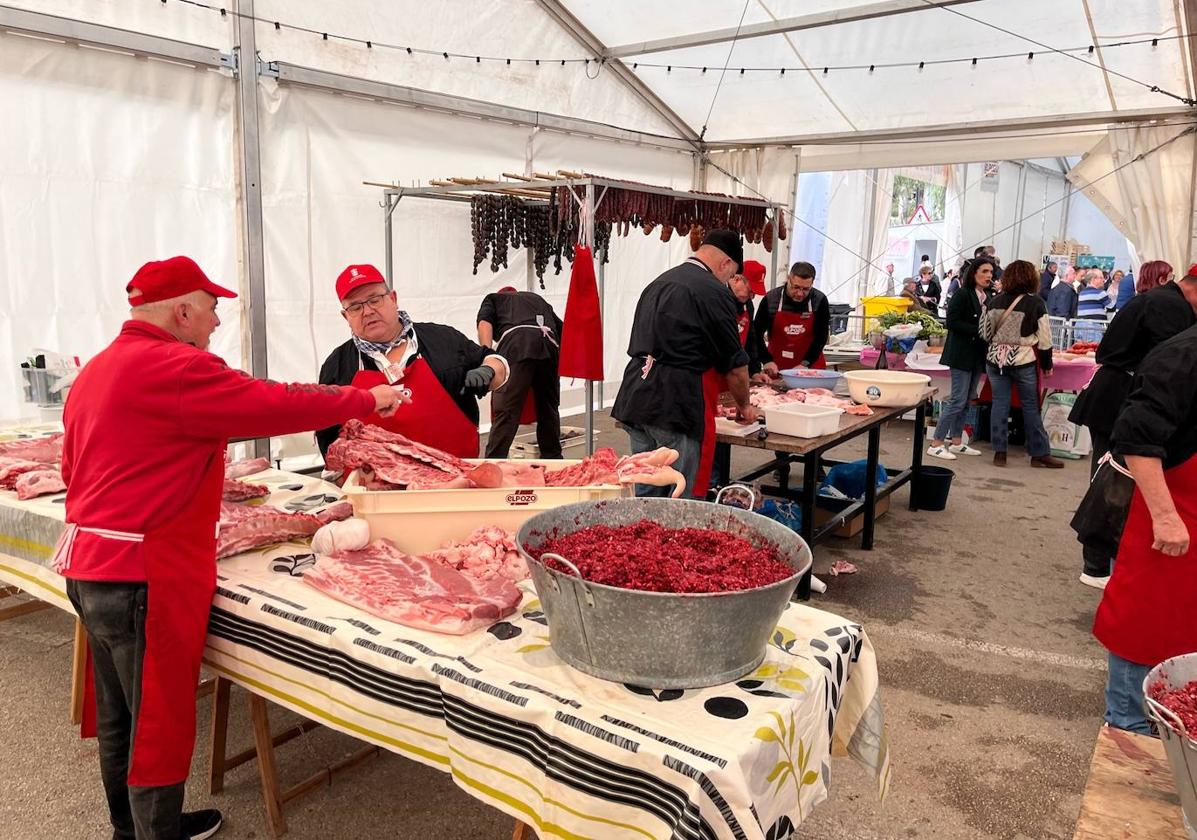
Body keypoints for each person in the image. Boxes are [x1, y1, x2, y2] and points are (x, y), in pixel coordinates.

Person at [55, 257, 407, 840]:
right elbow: (275, 401)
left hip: (88, 565)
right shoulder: (178, 367)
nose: (218, 319)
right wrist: (365, 400)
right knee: (157, 720)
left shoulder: (97, 368)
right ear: (183, 311)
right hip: (142, 572)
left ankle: (130, 827)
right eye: (212, 307)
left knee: (122, 715)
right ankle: (155, 833)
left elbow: (73, 468)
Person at [1092, 323, 1197, 734]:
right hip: (1172, 509)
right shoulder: (1182, 355)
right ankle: (1128, 724)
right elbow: (1136, 437)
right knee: (1145, 620)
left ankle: (1177, 722)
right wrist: (1166, 516)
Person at [1069, 264, 1197, 588]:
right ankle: (1097, 565)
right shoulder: (1171, 307)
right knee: (1114, 480)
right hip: (1119, 396)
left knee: (1109, 475)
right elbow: (1171, 368)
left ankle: (1101, 562)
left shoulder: (1159, 299)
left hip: (1114, 392)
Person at [611, 230, 759, 497]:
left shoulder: (659, 282)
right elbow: (735, 365)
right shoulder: (712, 291)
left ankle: (646, 537)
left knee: (648, 489)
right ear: (725, 263)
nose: (729, 280)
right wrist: (744, 405)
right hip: (674, 403)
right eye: (732, 274)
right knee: (681, 494)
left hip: (636, 395)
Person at [316, 264, 508, 459]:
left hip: (454, 478)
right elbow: (327, 434)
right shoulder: (336, 366)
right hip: (375, 484)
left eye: (374, 300)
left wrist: (490, 370)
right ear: (345, 316)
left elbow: (495, 362)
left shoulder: (444, 340)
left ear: (393, 299)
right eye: (355, 307)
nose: (367, 311)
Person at [979, 259, 1064, 468]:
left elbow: (984, 333)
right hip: (1023, 359)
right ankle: (1039, 453)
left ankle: (1000, 453)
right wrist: (1047, 363)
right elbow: (1045, 339)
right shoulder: (1036, 303)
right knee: (1030, 406)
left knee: (999, 404)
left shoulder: (995, 301)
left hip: (995, 359)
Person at [476, 285, 563, 459]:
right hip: (549, 345)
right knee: (548, 409)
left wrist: (487, 356)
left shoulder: (493, 299)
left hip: (517, 345)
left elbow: (484, 323)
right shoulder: (536, 298)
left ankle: (493, 463)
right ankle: (553, 459)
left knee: (506, 411)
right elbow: (563, 330)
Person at [705, 260, 769, 495]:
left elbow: (751, 337)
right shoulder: (719, 302)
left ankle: (721, 480)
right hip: (714, 377)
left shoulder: (747, 305)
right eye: (750, 289)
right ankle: (710, 485)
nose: (752, 295)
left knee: (728, 431)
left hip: (734, 379)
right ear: (736, 280)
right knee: (711, 431)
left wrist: (754, 369)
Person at [927, 257, 995, 460]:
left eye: (991, 272)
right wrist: (979, 330)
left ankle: (956, 441)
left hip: (976, 356)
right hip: (961, 354)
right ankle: (937, 442)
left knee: (967, 399)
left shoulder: (987, 297)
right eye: (984, 271)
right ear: (974, 273)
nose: (988, 276)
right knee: (957, 400)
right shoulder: (962, 294)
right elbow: (952, 322)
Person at [755, 261, 831, 375]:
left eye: (805, 289)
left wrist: (805, 363)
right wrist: (766, 360)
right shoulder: (771, 299)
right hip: (776, 367)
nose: (800, 293)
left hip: (810, 366)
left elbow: (821, 337)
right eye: (796, 287)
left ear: (812, 284)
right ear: (788, 279)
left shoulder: (819, 301)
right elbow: (756, 334)